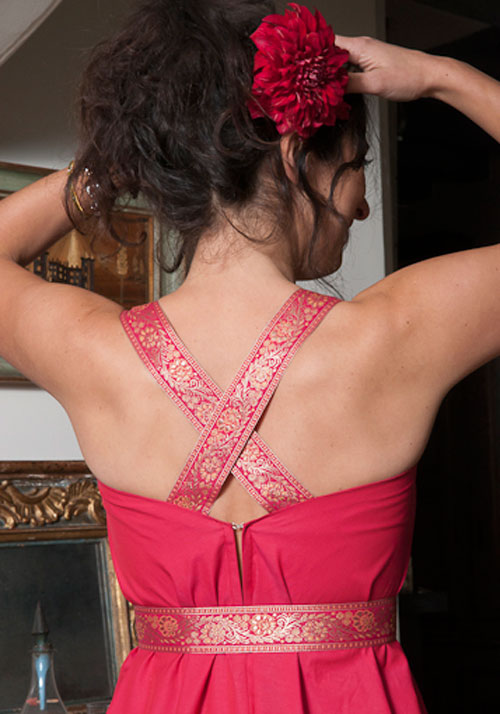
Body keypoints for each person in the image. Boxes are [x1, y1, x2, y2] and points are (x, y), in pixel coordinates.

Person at [0, 1, 499, 712]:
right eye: (355, 167)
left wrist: (121, 160)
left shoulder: (98, 356)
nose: (361, 207)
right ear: (296, 158)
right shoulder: (394, 337)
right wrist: (442, 77)